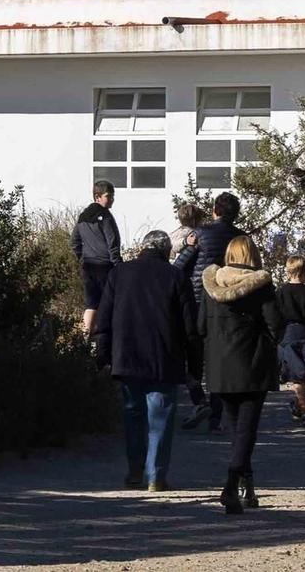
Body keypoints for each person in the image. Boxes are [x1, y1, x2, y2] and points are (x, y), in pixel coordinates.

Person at [91, 230, 197, 492]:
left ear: (142, 247)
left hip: (127, 357)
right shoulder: (176, 276)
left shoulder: (119, 274)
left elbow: (103, 320)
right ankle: (156, 475)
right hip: (163, 359)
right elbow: (190, 327)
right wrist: (194, 365)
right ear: (165, 250)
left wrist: (102, 356)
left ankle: (135, 470)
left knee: (133, 416)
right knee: (159, 418)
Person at [200, 234, 283, 514]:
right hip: (252, 363)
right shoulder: (261, 285)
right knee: (246, 430)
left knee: (237, 430)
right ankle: (231, 484)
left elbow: (200, 327)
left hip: (220, 366)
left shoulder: (211, 284)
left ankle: (247, 486)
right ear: (252, 255)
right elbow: (275, 325)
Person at [179, 192, 246, 431]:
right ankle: (216, 416)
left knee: (192, 357)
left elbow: (179, 268)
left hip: (197, 301)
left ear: (214, 210)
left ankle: (199, 399)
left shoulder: (199, 234)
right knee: (218, 362)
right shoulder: (241, 238)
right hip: (227, 304)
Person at [166, 201, 208, 413]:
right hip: (193, 292)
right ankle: (197, 393)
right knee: (194, 346)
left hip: (178, 294)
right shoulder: (195, 237)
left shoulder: (172, 236)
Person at [70, 180, 122, 338]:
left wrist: (82, 257)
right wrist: (118, 265)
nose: (112, 199)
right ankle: (105, 337)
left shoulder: (83, 216)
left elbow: (74, 242)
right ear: (97, 196)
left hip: (88, 266)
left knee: (91, 304)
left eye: (113, 196)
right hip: (105, 266)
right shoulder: (105, 217)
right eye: (108, 196)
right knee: (109, 303)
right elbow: (113, 242)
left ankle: (85, 338)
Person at [275, 255, 305, 425]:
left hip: (287, 335)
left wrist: (274, 337)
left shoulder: (280, 293)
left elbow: (275, 318)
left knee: (299, 374)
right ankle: (304, 409)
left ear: (288, 271)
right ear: (304, 272)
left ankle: (298, 405)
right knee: (301, 374)